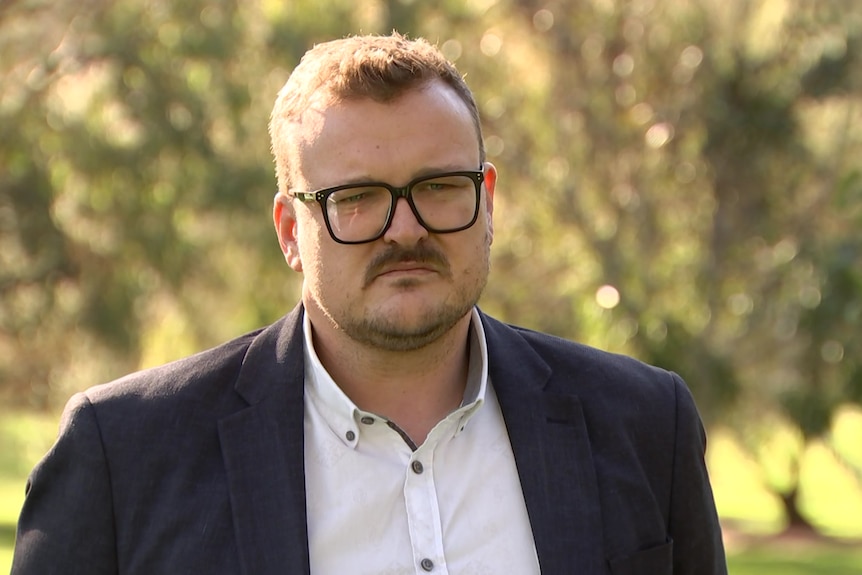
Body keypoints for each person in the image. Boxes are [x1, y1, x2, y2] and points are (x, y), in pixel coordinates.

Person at [12, 33, 727, 574]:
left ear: (486, 199)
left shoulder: (643, 424)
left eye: (439, 186)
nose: (406, 227)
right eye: (356, 199)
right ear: (292, 230)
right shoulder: (125, 454)